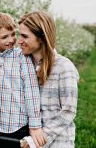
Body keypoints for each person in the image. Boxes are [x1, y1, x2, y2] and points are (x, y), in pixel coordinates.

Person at [18, 11, 79, 148]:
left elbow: (68, 111)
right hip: (27, 140)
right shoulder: (22, 63)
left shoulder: (64, 67)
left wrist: (38, 139)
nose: (19, 41)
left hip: (57, 142)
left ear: (41, 37)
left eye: (24, 36)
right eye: (19, 34)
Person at [0, 13, 45, 148]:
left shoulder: (21, 57)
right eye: (4, 37)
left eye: (13, 34)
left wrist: (35, 125)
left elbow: (31, 92)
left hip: (19, 125)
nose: (11, 40)